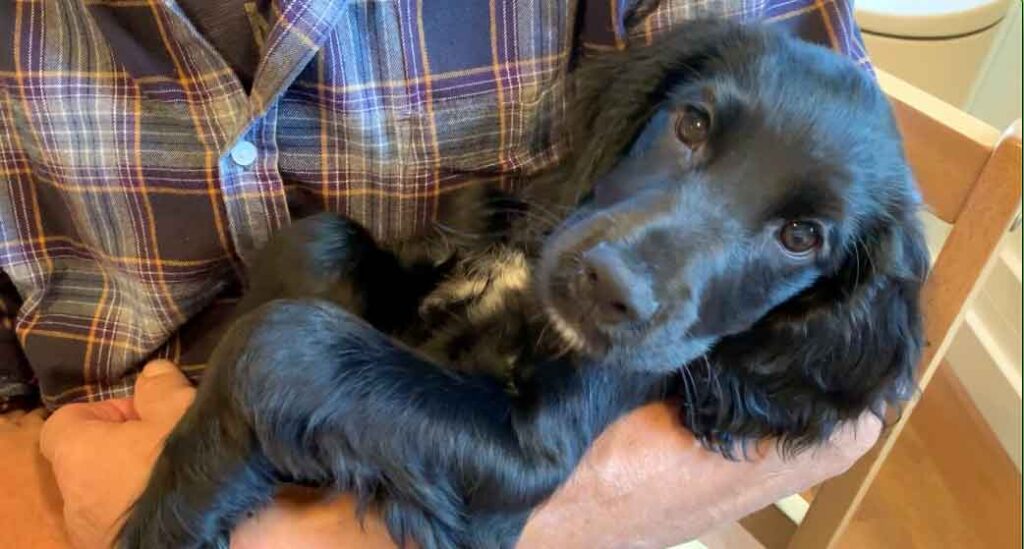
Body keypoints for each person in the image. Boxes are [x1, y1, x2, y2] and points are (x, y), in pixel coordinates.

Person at [0, 1, 874, 546]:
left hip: (463, 453)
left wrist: (305, 543)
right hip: (68, 479)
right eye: (688, 130)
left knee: (297, 320)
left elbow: (845, 415)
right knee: (314, 261)